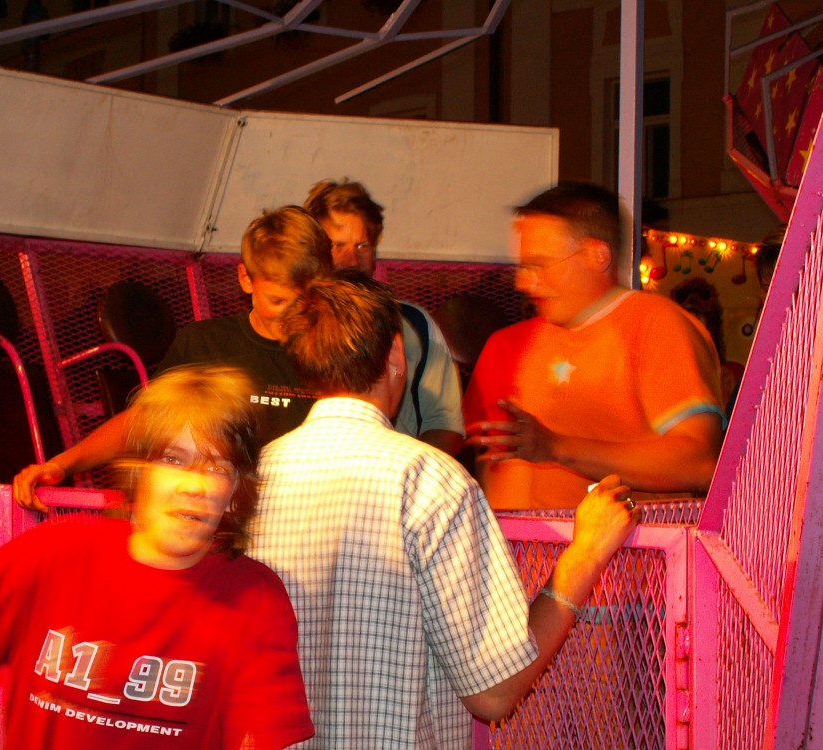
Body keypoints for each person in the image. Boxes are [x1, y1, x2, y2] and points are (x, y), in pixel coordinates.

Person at [248, 272, 639, 747]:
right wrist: (587, 552)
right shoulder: (429, 479)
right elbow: (494, 692)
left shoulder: (253, 478)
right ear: (396, 354)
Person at [0, 365, 314, 750]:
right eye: (173, 460)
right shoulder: (57, 551)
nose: (193, 486)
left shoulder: (255, 597)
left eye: (215, 468)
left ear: (234, 493)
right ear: (139, 474)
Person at [12, 206, 331, 512]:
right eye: (278, 301)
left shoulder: (334, 352)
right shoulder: (205, 343)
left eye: (306, 300)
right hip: (220, 519)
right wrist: (61, 465)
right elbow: (144, 421)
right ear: (246, 279)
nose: (293, 314)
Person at [463, 182, 725, 510]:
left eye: (538, 265)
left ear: (596, 255)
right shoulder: (513, 343)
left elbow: (699, 463)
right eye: (522, 266)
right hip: (530, 543)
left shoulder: (656, 326)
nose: (523, 282)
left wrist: (557, 447)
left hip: (627, 543)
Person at [304, 179, 465, 456]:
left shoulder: (413, 324)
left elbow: (445, 422)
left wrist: (411, 472)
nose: (352, 260)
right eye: (337, 245)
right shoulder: (296, 325)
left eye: (362, 246)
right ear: (314, 250)